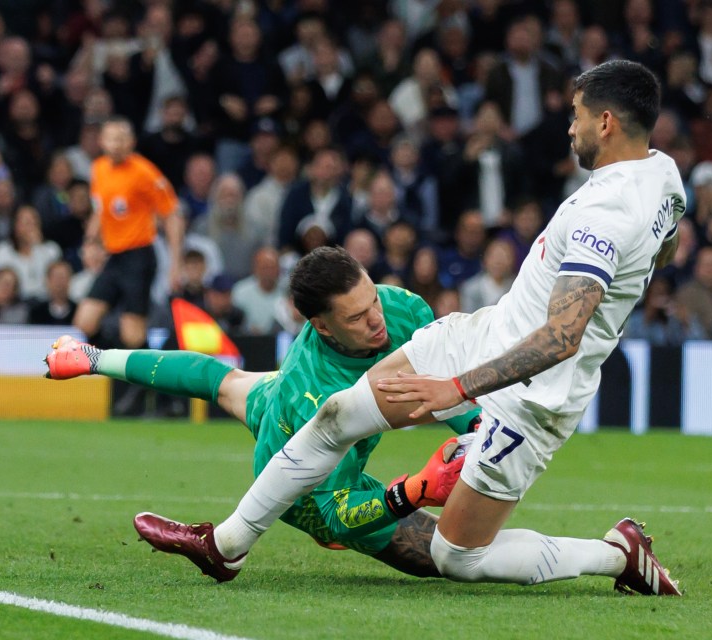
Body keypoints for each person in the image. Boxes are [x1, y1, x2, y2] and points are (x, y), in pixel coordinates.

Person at [130, 60, 684, 597]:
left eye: (577, 115)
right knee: (339, 413)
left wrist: (457, 390)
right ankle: (225, 546)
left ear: (606, 123)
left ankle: (618, 554)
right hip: (483, 335)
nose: (571, 127)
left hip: (531, 398)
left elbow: (562, 337)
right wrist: (630, 278)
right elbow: (665, 241)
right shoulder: (662, 173)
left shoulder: (606, 215)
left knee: (456, 558)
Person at [45, 247, 478, 578]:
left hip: (272, 393)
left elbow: (441, 376)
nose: (377, 321)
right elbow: (338, 516)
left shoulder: (404, 309)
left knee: (223, 382)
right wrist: (414, 490)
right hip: (309, 484)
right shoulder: (315, 399)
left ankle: (91, 357)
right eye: (358, 316)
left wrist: (474, 428)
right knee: (450, 558)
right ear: (321, 326)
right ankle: (227, 545)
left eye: (373, 302)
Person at [74, 116, 183, 351]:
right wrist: (90, 243)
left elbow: (172, 215)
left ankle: (145, 382)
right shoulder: (99, 169)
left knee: (133, 336)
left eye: (122, 138)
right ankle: (115, 362)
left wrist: (175, 263)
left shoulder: (144, 172)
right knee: (85, 322)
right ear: (102, 141)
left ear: (132, 142)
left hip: (139, 256)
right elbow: (100, 211)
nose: (117, 144)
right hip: (114, 256)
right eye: (112, 138)